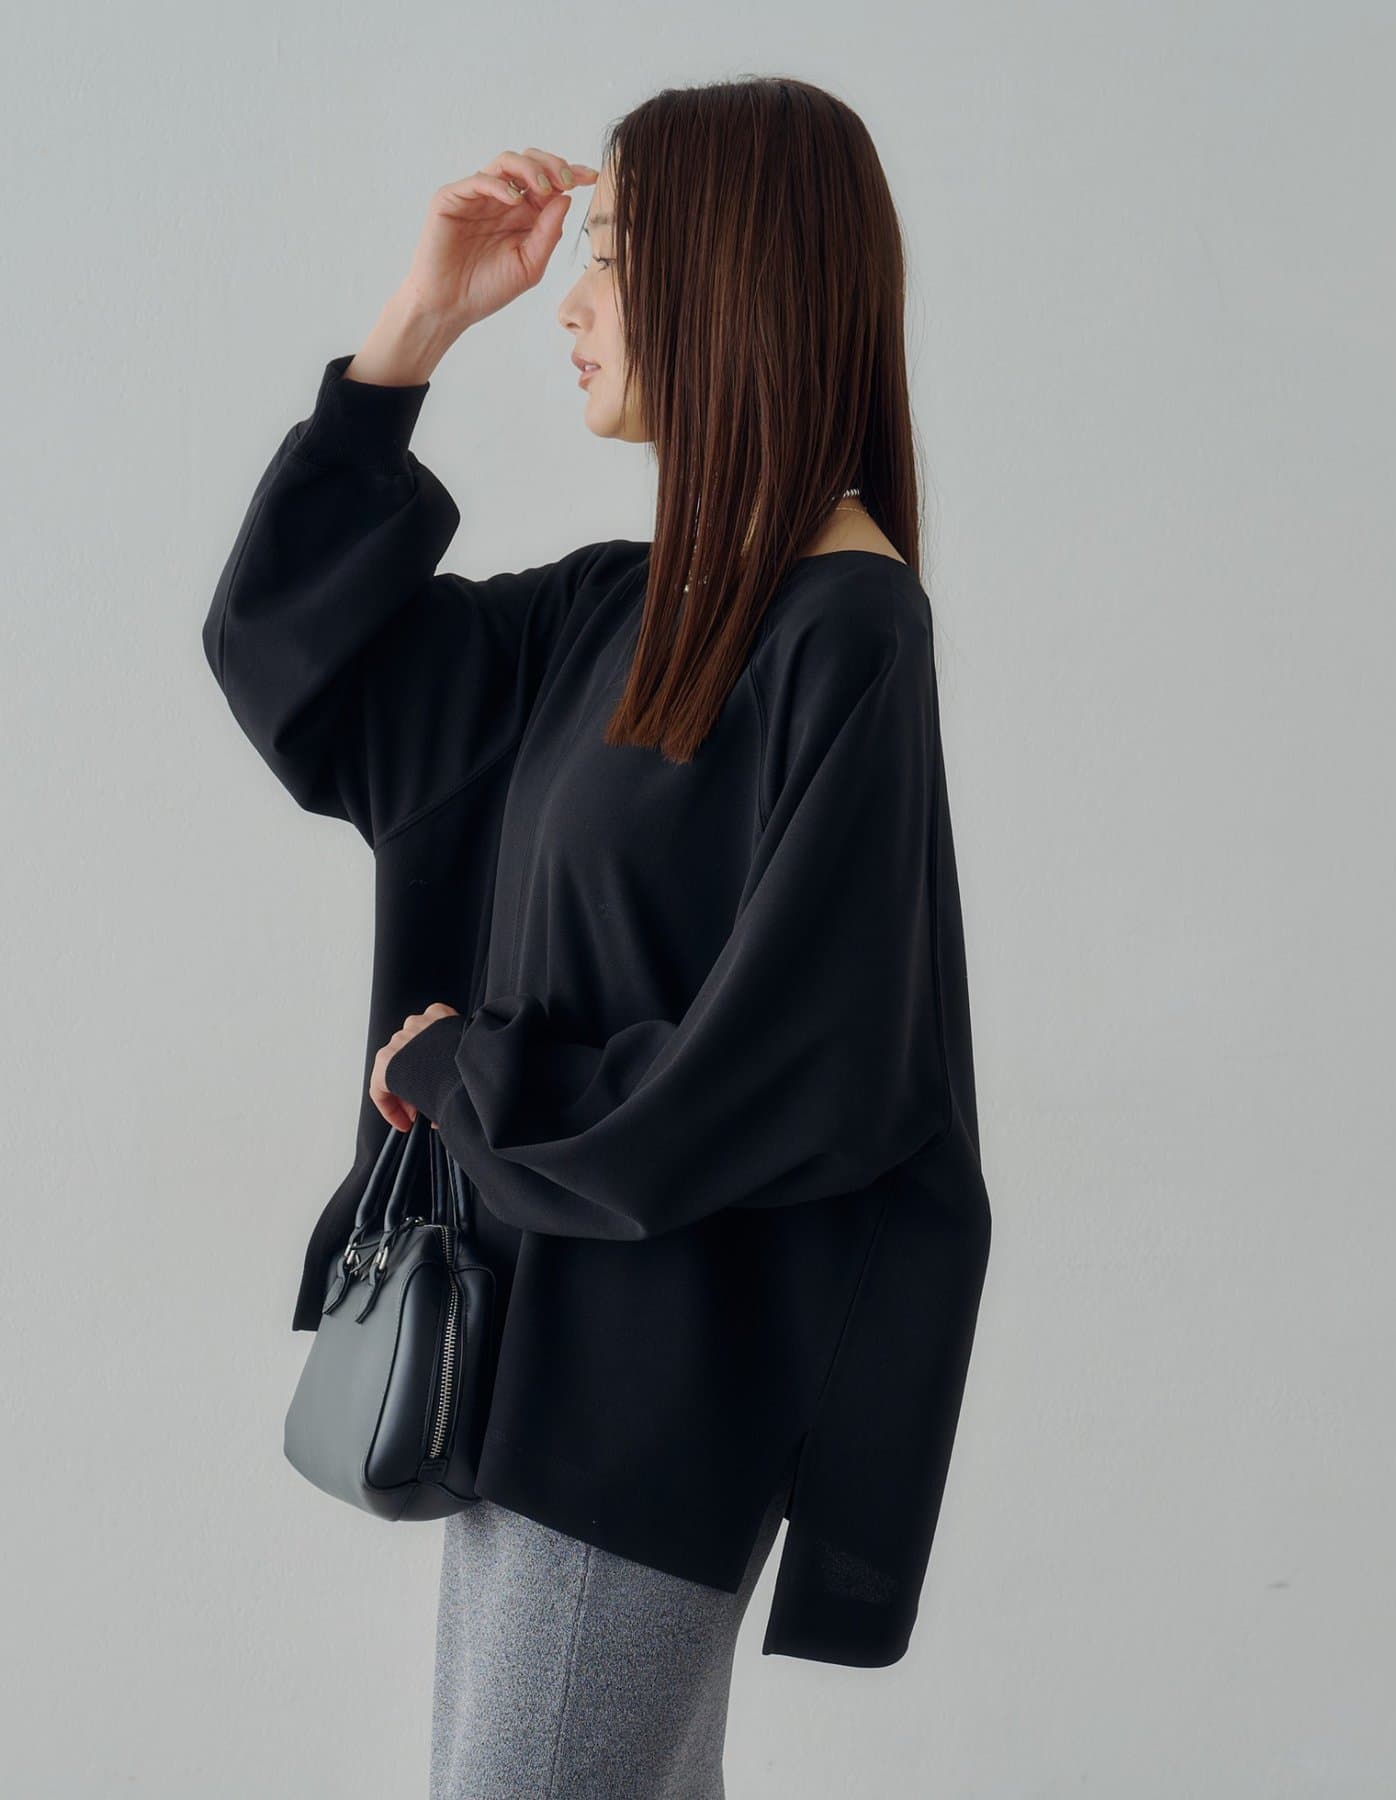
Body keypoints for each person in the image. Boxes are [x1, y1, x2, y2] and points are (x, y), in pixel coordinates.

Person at [204, 76, 992, 1800]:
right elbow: (299, 676)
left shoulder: (848, 634)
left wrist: (460, 1073)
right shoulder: (622, 608)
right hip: (534, 1363)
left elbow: (803, 1070)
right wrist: (413, 329)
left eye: (617, 254)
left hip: (650, 1400)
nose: (571, 299)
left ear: (733, 279)